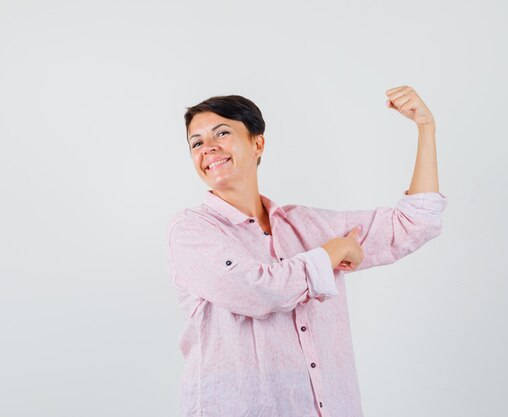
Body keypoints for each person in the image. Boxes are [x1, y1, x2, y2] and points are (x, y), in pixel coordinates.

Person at [166, 86, 448, 417]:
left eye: (222, 133)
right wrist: (331, 253)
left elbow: (414, 223)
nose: (208, 148)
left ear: (258, 143)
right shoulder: (191, 231)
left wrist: (426, 128)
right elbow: (256, 290)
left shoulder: (308, 225)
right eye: (196, 142)